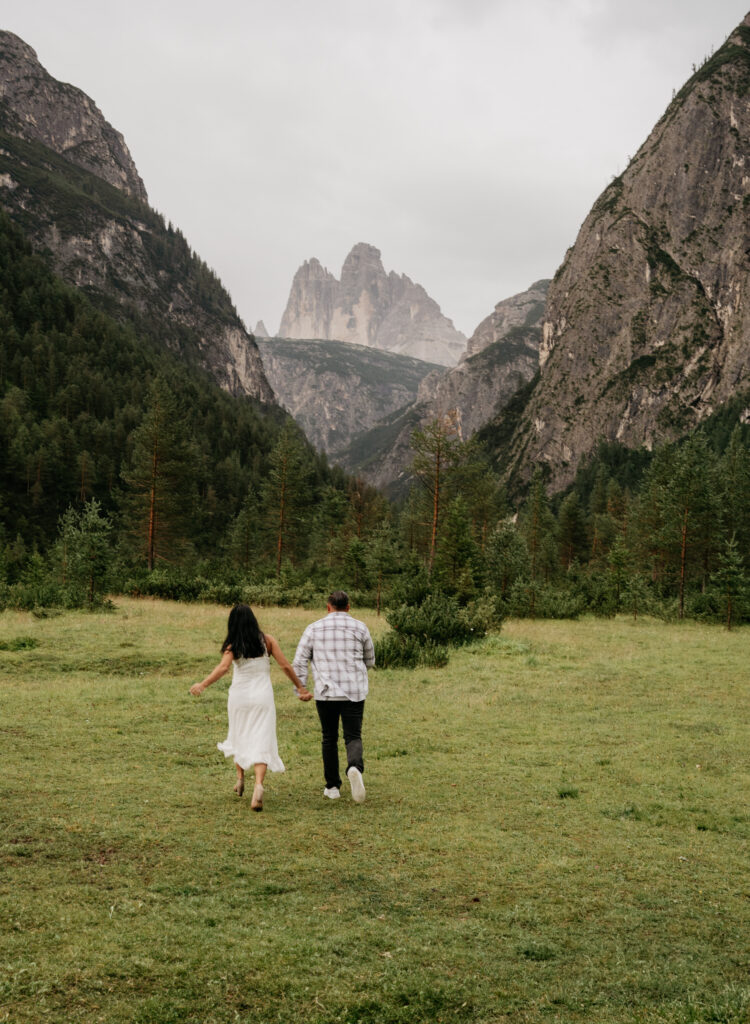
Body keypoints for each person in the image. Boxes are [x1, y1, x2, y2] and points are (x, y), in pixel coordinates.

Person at [190, 603, 312, 811]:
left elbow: (223, 667)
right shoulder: (268, 641)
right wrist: (300, 687)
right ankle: (258, 785)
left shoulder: (233, 644)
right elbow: (285, 665)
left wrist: (202, 684)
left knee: (240, 734)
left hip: (239, 697)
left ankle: (240, 779)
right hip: (262, 696)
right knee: (261, 738)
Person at [292, 590, 375, 803]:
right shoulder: (360, 627)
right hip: (354, 692)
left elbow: (300, 660)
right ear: (348, 607)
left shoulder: (313, 628)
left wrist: (301, 687)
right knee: (353, 735)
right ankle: (354, 767)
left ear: (328, 607)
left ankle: (332, 787)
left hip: (326, 693)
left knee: (329, 737)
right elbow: (370, 660)